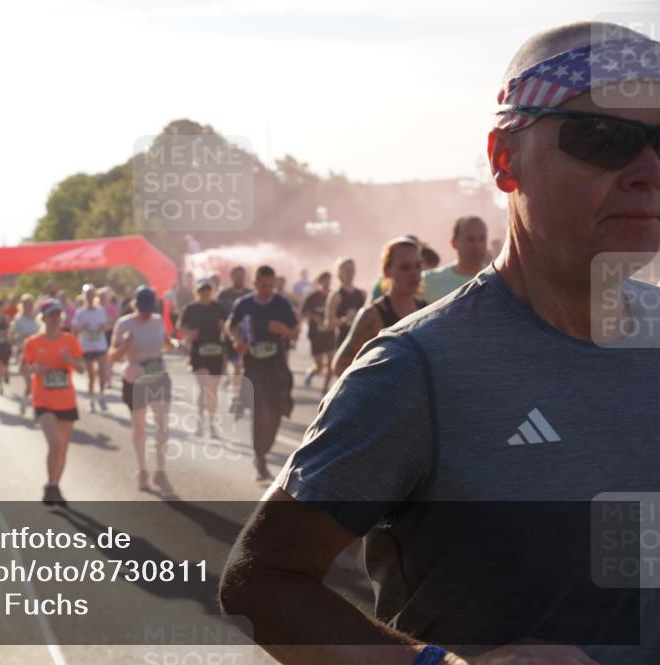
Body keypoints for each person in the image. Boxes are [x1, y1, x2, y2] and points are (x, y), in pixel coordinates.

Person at [220, 22, 659, 665]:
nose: (648, 171)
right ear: (505, 159)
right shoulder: (419, 366)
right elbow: (260, 580)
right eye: (605, 137)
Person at [226, 265, 299, 481]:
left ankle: (264, 450)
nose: (267, 289)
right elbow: (230, 325)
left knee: (277, 411)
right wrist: (237, 340)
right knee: (259, 412)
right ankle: (260, 458)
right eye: (263, 285)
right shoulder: (244, 304)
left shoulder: (282, 303)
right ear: (255, 283)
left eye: (271, 285)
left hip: (276, 364)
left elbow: (295, 332)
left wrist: (283, 331)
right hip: (254, 365)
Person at [110, 286, 178, 494]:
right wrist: (126, 344)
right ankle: (141, 470)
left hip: (157, 374)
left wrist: (174, 344)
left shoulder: (158, 321)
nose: (146, 312)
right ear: (135, 305)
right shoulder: (124, 323)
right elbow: (112, 356)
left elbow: (166, 344)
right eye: (142, 308)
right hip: (135, 378)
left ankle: (160, 471)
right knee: (139, 427)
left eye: (149, 308)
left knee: (162, 424)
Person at [331, 237, 428, 377]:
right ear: (387, 271)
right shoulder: (373, 316)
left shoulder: (426, 311)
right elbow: (341, 366)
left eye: (418, 266)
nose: (414, 273)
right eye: (405, 267)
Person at [22, 299, 86, 506]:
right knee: (55, 443)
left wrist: (70, 360)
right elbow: (25, 368)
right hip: (43, 400)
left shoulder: (69, 340)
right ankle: (51, 484)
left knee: (63, 449)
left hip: (66, 400)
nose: (56, 319)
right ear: (44, 318)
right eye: (52, 315)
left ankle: (55, 485)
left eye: (59, 315)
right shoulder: (33, 342)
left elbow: (82, 368)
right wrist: (35, 370)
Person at [177, 277, 228, 439]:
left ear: (212, 291)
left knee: (212, 390)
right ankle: (200, 422)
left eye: (208, 290)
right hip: (199, 352)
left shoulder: (218, 307)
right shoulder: (191, 308)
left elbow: (229, 325)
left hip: (216, 352)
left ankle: (211, 423)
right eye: (202, 290)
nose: (205, 293)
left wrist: (224, 327)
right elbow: (180, 326)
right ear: (197, 291)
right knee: (204, 387)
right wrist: (188, 333)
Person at [420, 216, 489, 304]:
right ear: (454, 243)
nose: (477, 246)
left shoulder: (497, 281)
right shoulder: (428, 281)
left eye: (482, 239)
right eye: (470, 240)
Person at [324, 257, 366, 393]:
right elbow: (328, 324)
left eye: (352, 269)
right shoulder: (336, 296)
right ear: (340, 272)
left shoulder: (362, 294)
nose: (350, 273)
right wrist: (344, 320)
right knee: (345, 384)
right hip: (343, 343)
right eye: (347, 270)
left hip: (361, 343)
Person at [217, 265, 252, 407]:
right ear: (231, 277)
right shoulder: (224, 295)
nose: (239, 278)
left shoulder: (251, 294)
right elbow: (218, 315)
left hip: (247, 335)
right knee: (236, 365)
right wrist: (225, 330)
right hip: (230, 336)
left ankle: (241, 392)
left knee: (244, 367)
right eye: (236, 275)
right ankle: (236, 394)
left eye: (241, 275)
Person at [73, 283, 110, 412]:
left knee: (102, 373)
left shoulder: (101, 310)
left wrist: (102, 327)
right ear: (84, 296)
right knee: (91, 376)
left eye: (91, 294)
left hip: (100, 345)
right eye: (87, 295)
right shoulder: (80, 312)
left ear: (95, 296)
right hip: (87, 347)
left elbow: (106, 326)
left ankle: (101, 396)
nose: (89, 297)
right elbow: (75, 331)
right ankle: (91, 399)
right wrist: (84, 327)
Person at [300, 271, 334, 387]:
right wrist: (314, 317)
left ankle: (325, 390)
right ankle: (312, 372)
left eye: (329, 280)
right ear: (320, 282)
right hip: (316, 335)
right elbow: (303, 313)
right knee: (320, 366)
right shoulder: (312, 297)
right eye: (325, 280)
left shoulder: (334, 296)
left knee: (331, 363)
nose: (328, 283)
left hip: (330, 334)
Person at [11, 294, 40, 415]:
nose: (28, 306)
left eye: (30, 303)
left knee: (37, 382)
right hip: (23, 353)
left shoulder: (38, 319)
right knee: (30, 383)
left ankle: (33, 405)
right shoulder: (18, 319)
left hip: (38, 353)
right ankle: (29, 404)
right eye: (26, 304)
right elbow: (12, 337)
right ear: (22, 306)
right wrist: (21, 336)